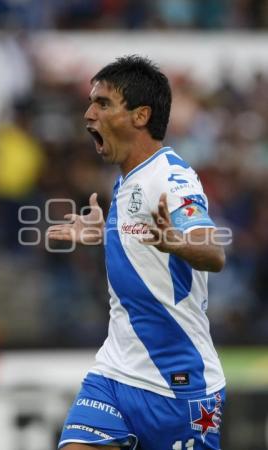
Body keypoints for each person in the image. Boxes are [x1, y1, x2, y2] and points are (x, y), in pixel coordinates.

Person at [48, 55, 226, 450]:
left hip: (178, 385)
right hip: (115, 373)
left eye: (103, 103)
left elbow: (213, 252)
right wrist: (108, 233)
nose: (89, 113)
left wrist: (178, 241)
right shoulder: (128, 179)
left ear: (141, 116)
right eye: (91, 102)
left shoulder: (171, 177)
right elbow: (141, 240)